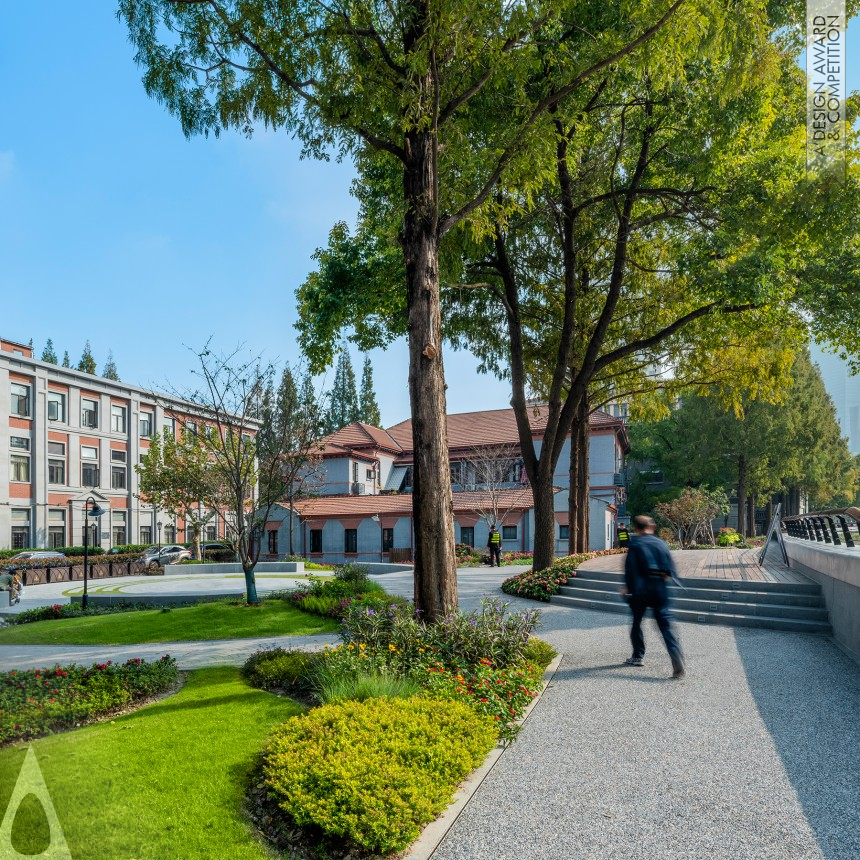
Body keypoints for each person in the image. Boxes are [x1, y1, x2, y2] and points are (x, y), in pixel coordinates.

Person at [620, 515, 685, 679]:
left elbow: (630, 569)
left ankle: (638, 656)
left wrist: (627, 587)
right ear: (651, 527)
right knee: (666, 626)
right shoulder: (661, 543)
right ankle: (677, 659)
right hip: (659, 589)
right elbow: (669, 570)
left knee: (636, 622)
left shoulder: (635, 544)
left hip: (641, 591)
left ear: (636, 528)